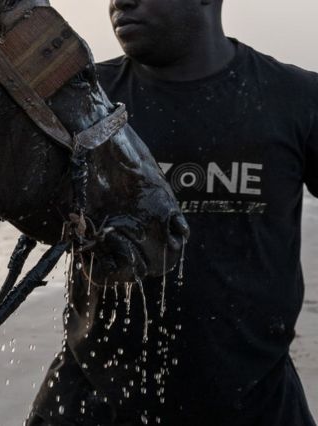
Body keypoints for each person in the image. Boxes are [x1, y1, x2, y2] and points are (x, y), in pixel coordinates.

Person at [27, 0, 318, 425]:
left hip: (255, 404)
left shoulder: (294, 98)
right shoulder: (83, 101)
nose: (119, 2)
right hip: (91, 403)